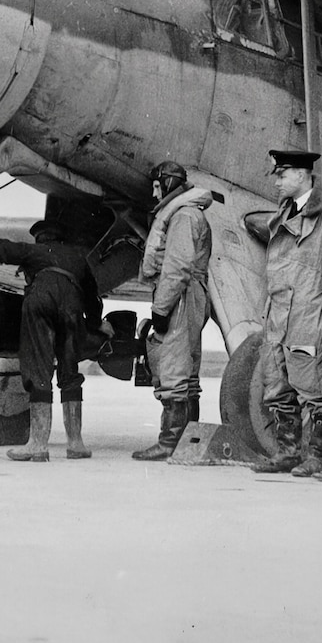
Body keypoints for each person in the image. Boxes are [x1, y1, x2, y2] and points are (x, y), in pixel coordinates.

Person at [0, 221, 104, 462]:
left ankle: (38, 444)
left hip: (42, 301)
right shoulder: (78, 258)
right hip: (72, 307)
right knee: (70, 371)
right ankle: (76, 443)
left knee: (38, 367)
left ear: (40, 238)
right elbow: (93, 299)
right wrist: (93, 325)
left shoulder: (36, 251)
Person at [252, 151, 322, 477]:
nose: (277, 180)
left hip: (309, 319)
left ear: (304, 175)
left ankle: (318, 456)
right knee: (278, 387)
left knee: (315, 390)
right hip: (278, 318)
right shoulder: (282, 216)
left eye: (283, 173)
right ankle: (288, 453)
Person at [132, 161, 214, 461]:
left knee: (173, 368)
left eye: (157, 186)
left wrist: (161, 308)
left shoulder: (183, 216)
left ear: (167, 184)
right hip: (188, 295)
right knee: (186, 371)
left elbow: (177, 266)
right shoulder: (188, 213)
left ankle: (170, 443)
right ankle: (186, 442)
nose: (155, 195)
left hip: (180, 296)